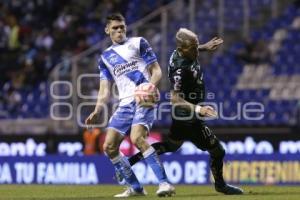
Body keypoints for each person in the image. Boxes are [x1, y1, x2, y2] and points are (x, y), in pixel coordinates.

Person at [117, 28, 244, 195]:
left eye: (196, 46)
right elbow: (175, 99)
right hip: (189, 118)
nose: (196, 51)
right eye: (193, 48)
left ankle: (129, 162)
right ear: (182, 49)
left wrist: (205, 46)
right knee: (218, 151)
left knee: (171, 145)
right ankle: (220, 185)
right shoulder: (180, 69)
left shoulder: (182, 51)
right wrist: (199, 109)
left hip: (182, 116)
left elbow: (192, 48)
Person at [85, 13, 175, 197]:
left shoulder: (139, 42)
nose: (119, 31)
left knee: (137, 139)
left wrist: (150, 86)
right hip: (124, 104)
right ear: (107, 30)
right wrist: (97, 109)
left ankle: (165, 184)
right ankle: (135, 188)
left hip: (144, 98)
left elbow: (156, 71)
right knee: (109, 146)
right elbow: (104, 89)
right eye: (115, 28)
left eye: (122, 27)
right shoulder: (105, 58)